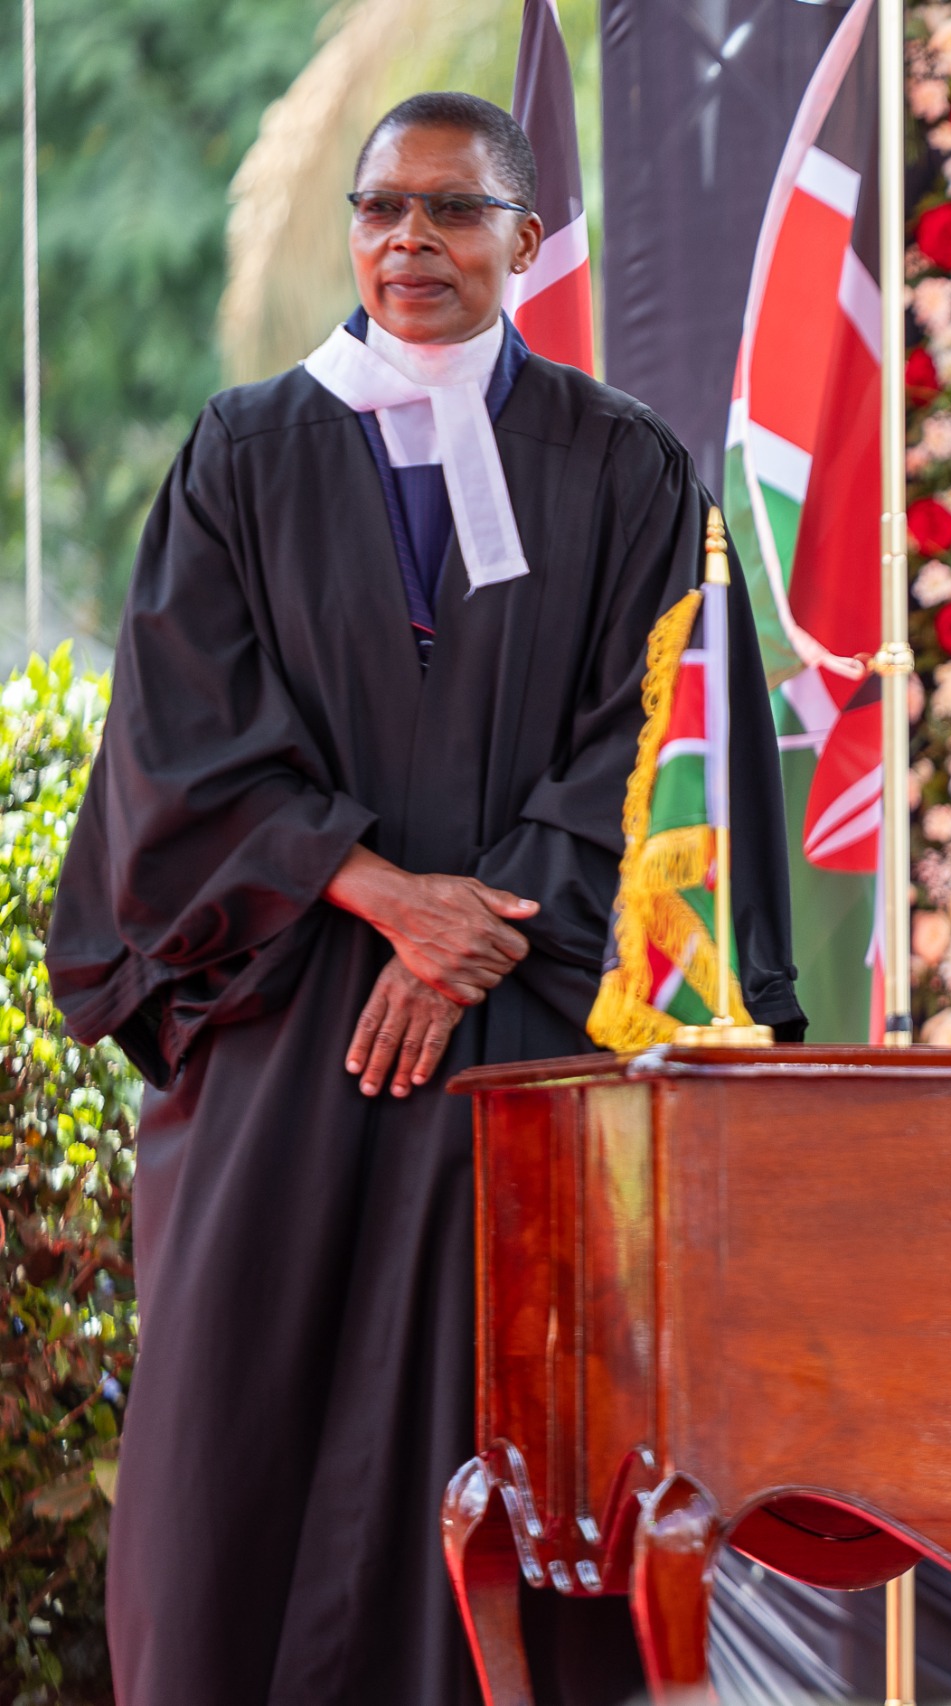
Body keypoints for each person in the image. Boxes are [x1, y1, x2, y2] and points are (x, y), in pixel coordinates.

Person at [45, 93, 799, 1706]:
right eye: (384, 209)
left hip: (532, 1025)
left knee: (523, 1438)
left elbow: (661, 749)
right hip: (289, 1010)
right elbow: (179, 737)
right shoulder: (244, 450)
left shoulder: (626, 465)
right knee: (239, 1431)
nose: (412, 242)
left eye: (455, 213)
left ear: (526, 242)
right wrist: (388, 899)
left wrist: (478, 932)